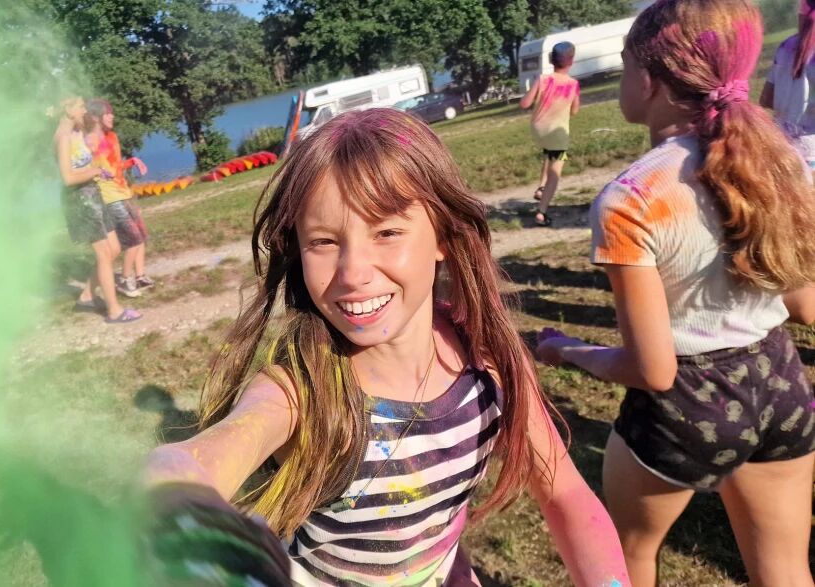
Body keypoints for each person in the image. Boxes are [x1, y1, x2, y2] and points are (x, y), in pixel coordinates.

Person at [143, 108, 630, 586]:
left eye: (387, 232)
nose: (353, 273)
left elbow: (565, 493)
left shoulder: (491, 359)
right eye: (323, 241)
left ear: (443, 234)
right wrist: (172, 491)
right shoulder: (300, 392)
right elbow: (195, 461)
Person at [534, 1, 815, 585]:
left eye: (624, 65)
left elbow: (654, 370)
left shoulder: (631, 198)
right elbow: (805, 307)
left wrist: (566, 350)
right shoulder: (781, 162)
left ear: (650, 81)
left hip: (689, 404)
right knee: (785, 570)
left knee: (628, 558)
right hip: (781, 383)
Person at [53, 97, 140, 323]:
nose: (84, 110)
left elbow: (92, 141)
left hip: (92, 193)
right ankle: (114, 311)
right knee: (103, 253)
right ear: (68, 110)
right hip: (80, 199)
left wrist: (98, 168)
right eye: (80, 106)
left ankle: (87, 296)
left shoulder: (75, 132)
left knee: (114, 248)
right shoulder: (63, 138)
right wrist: (95, 171)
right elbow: (67, 178)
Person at [85, 98, 153, 299]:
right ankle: (124, 279)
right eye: (108, 113)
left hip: (123, 192)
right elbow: (90, 170)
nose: (112, 116)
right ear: (96, 117)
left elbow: (114, 168)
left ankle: (140, 276)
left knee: (141, 234)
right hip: (110, 197)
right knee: (133, 239)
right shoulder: (89, 141)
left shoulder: (112, 137)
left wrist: (131, 161)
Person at [520, 42, 581, 227]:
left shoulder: (542, 79)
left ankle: (541, 188)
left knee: (548, 153)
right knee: (555, 172)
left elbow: (524, 104)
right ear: (571, 61)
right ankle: (542, 212)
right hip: (557, 134)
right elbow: (575, 111)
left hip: (538, 130)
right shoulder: (573, 84)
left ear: (551, 60)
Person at [760, 0, 815, 169]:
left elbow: (765, 99)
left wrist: (790, 103)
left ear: (801, 16)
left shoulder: (786, 46)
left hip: (781, 148)